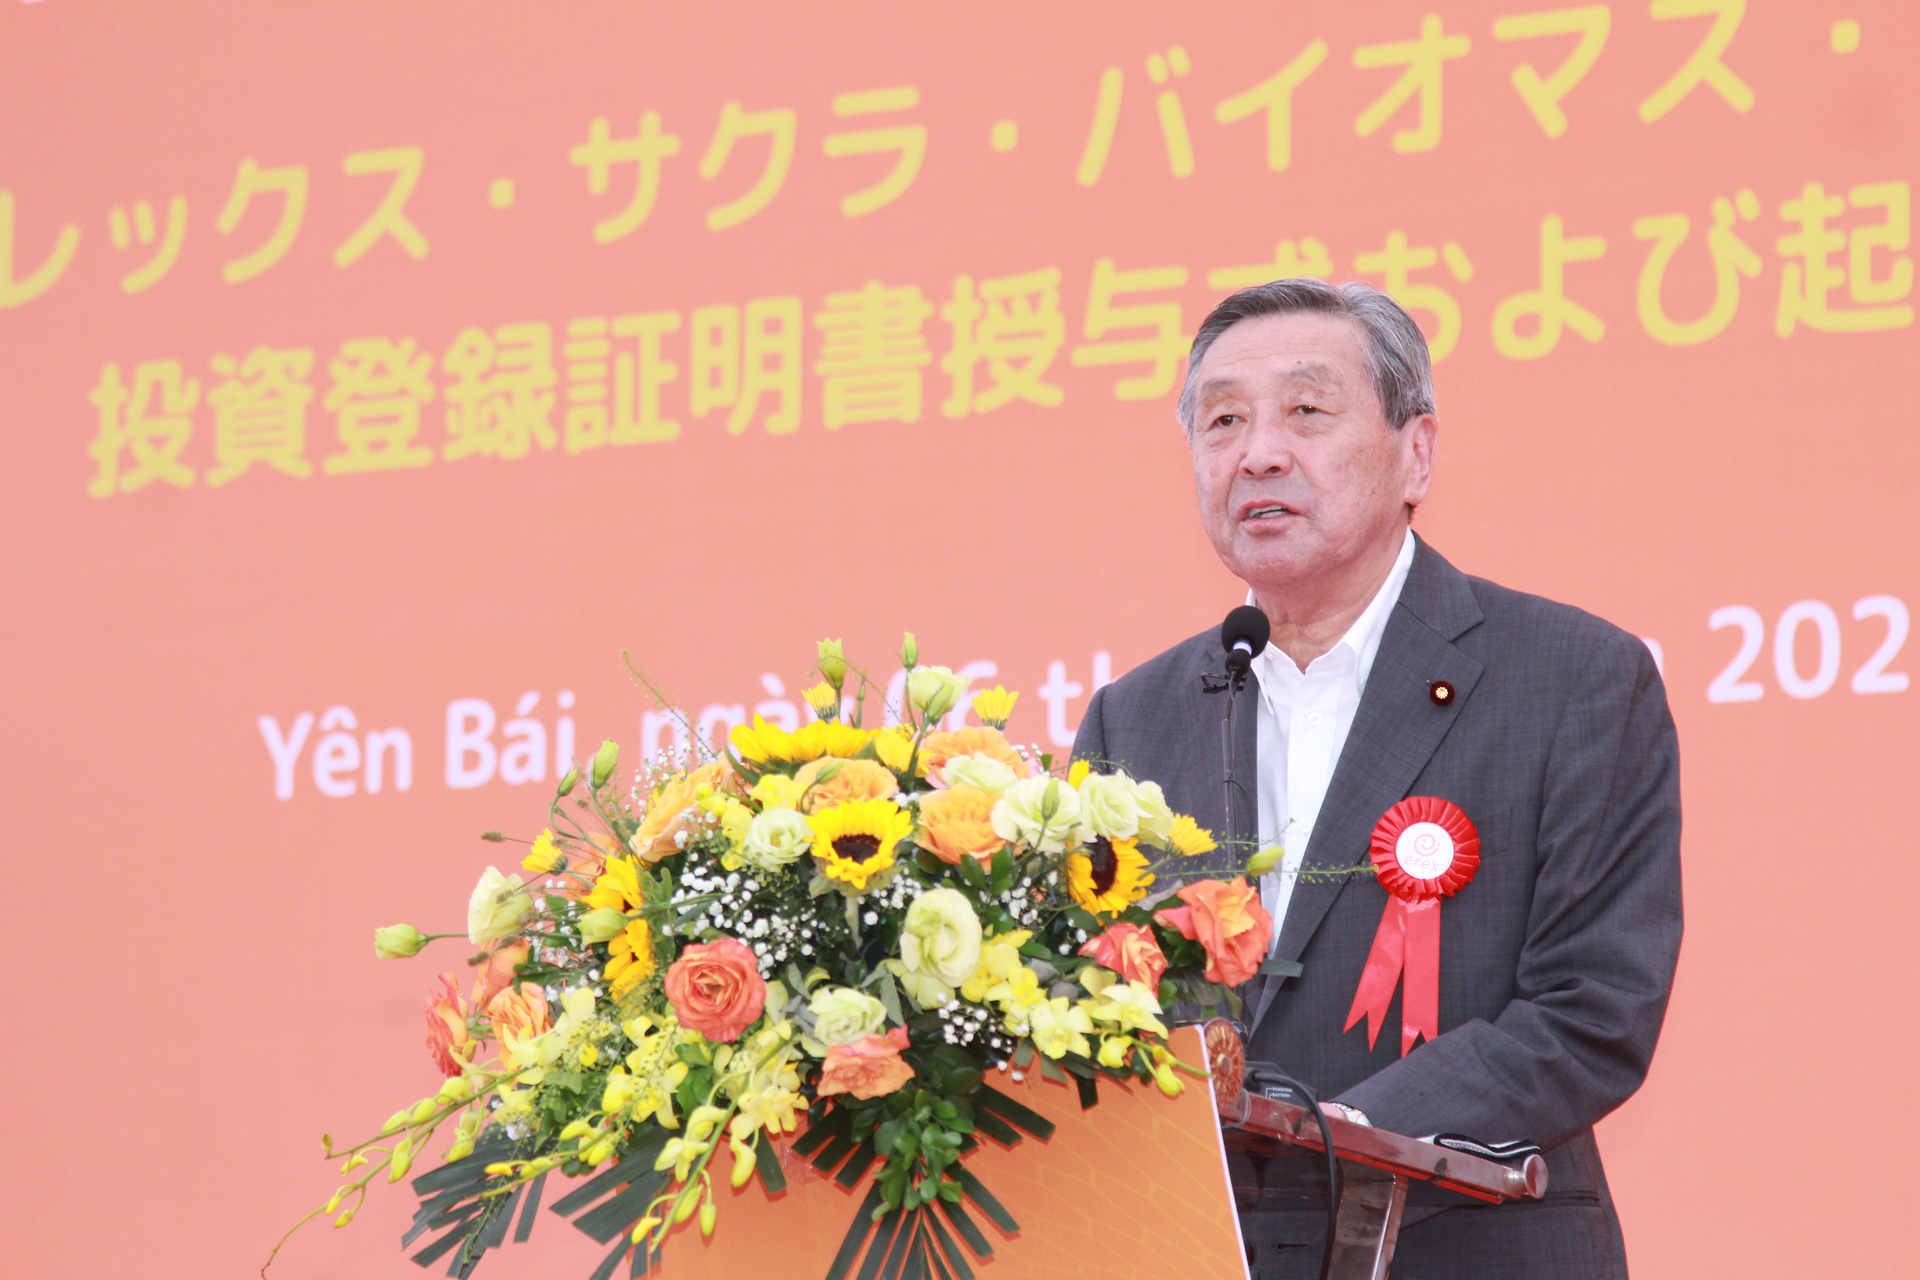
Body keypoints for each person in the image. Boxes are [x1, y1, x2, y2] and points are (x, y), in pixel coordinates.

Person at [1072, 279, 1682, 1279]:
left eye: (1307, 411)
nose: (1259, 451)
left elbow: (1593, 1005)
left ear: (1416, 452)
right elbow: (1093, 1002)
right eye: (1223, 420)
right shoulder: (1133, 717)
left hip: (1466, 1245)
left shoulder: (1572, 675)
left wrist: (1338, 1128)